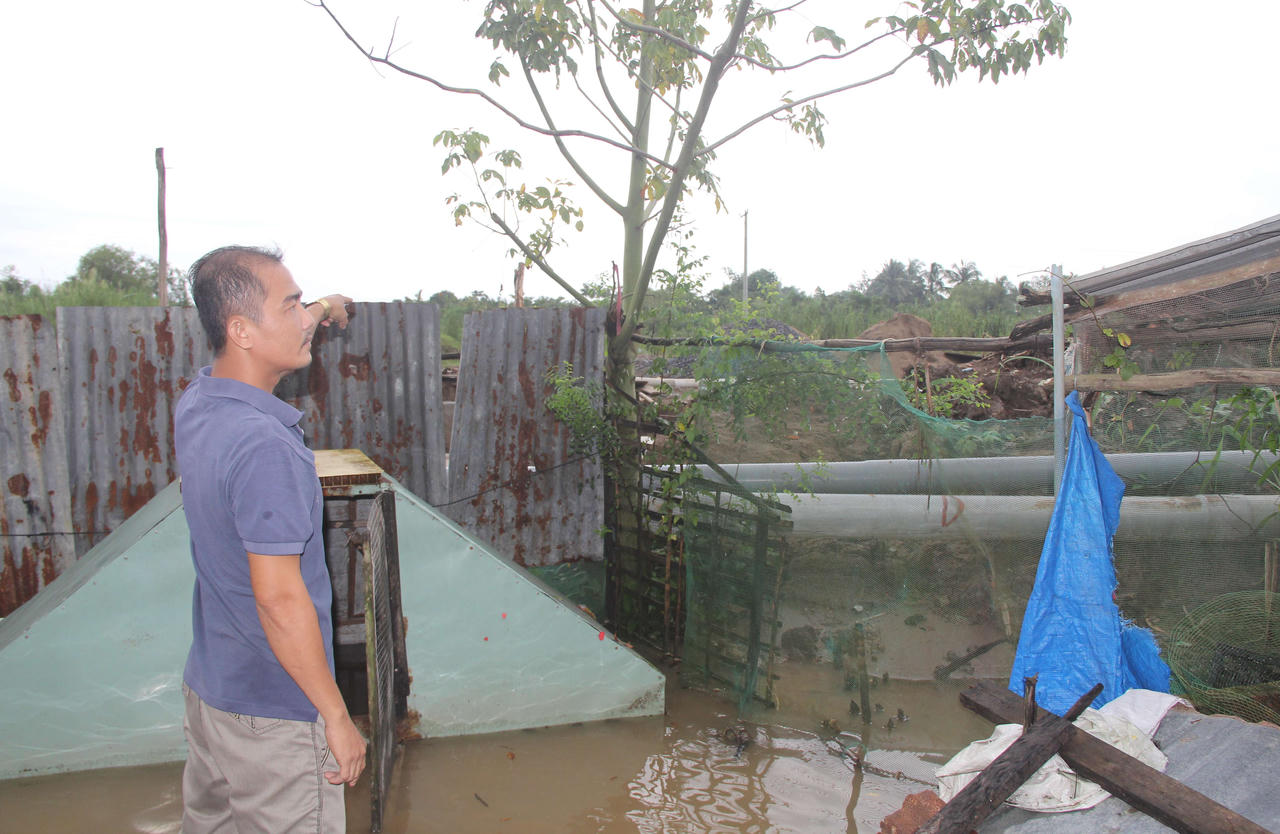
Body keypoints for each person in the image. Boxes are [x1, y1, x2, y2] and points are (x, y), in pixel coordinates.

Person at [176, 245, 364, 834]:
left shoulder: (201, 401)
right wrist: (335, 715)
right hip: (276, 716)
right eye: (290, 307)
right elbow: (280, 601)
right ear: (241, 330)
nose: (306, 319)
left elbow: (295, 314)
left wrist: (326, 304)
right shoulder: (266, 449)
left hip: (212, 692)